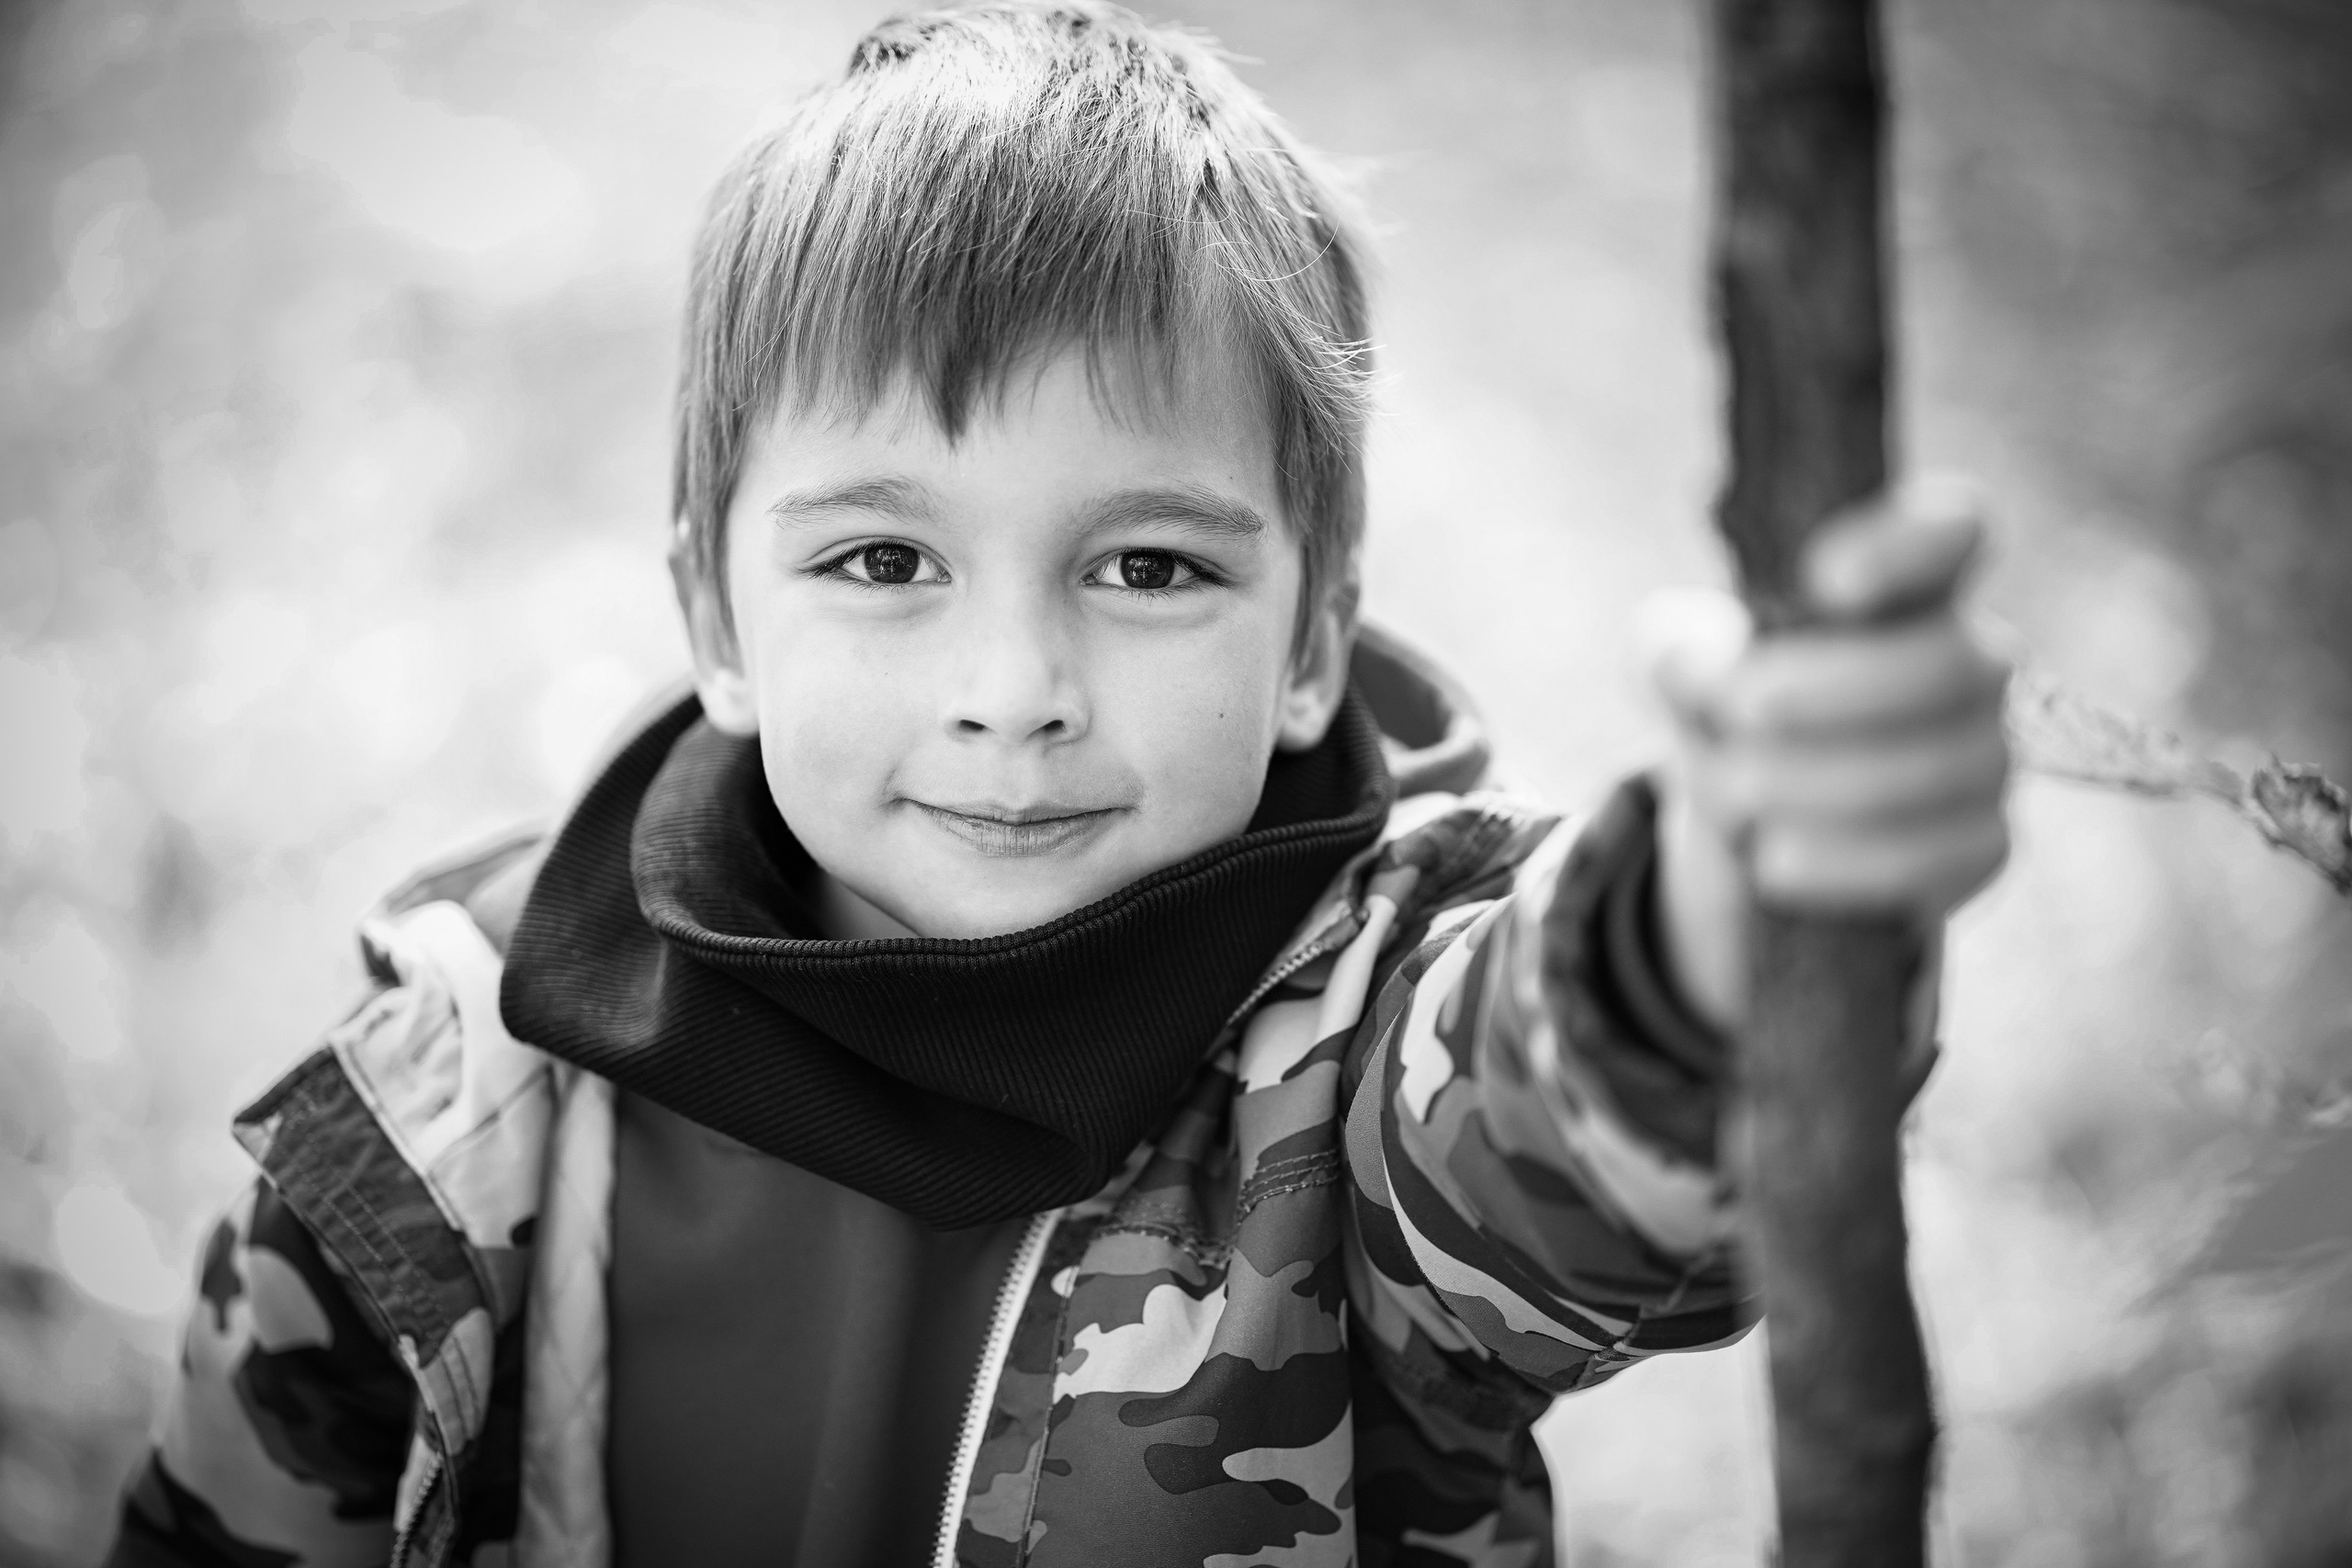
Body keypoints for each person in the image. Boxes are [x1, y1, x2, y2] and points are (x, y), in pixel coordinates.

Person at [106, 4, 2011, 1565]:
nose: (1012, 693)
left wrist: (1715, 917)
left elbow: (1563, 1128)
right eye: (883, 560)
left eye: (1147, 567)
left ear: (1311, 638)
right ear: (717, 617)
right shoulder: (462, 1092)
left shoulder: (1354, 1058)